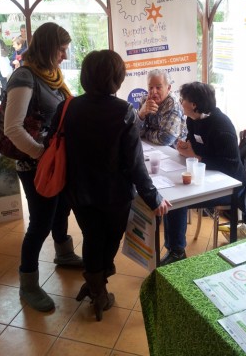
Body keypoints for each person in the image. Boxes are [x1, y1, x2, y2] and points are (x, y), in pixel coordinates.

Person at [48, 49, 171, 321]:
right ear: (116, 78)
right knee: (109, 240)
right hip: (114, 194)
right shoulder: (123, 112)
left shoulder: (68, 107)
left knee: (92, 236)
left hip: (78, 190)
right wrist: (153, 198)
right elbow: (135, 164)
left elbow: (51, 142)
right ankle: (97, 287)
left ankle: (96, 284)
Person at [4, 22, 83, 312]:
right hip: (34, 163)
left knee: (61, 208)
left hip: (53, 159)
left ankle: (64, 254)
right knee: (40, 222)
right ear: (49, 48)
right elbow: (12, 128)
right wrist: (41, 155)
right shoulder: (24, 77)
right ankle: (28, 283)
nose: (64, 56)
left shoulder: (52, 76)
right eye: (61, 50)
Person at [160, 82, 246, 266]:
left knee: (176, 201)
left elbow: (229, 164)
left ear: (193, 104)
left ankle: (176, 252)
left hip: (229, 186)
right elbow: (195, 144)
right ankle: (174, 249)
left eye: (183, 99)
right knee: (170, 197)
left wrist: (196, 156)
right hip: (205, 176)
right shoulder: (192, 119)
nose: (180, 101)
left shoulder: (221, 126)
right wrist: (187, 147)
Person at [137, 69, 186, 147]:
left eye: (158, 87)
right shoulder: (144, 100)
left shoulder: (173, 103)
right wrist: (141, 114)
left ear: (168, 88)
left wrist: (146, 133)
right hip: (151, 147)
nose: (154, 91)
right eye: (150, 87)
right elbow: (136, 133)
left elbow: (166, 138)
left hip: (173, 151)